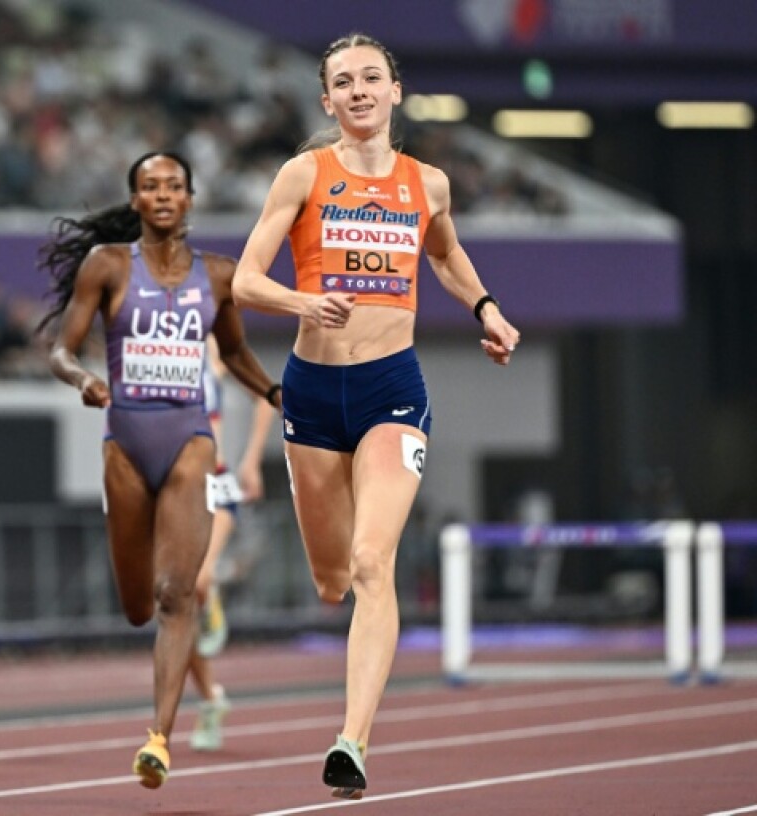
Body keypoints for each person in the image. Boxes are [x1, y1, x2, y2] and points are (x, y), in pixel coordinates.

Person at [231, 33, 521, 800]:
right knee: (332, 578)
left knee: (371, 563)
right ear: (327, 100)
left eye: (370, 78)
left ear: (396, 91)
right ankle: (349, 704)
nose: (358, 90)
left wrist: (487, 308)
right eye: (343, 82)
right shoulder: (303, 174)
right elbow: (245, 282)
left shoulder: (428, 184)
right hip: (312, 392)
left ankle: (351, 741)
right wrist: (303, 301)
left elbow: (445, 256)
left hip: (392, 387)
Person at [39, 151, 280, 789]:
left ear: (190, 198)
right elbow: (61, 349)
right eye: (151, 186)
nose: (165, 194)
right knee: (138, 607)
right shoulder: (107, 265)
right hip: (124, 445)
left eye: (175, 185)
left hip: (189, 439)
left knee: (178, 594)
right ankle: (168, 675)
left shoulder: (218, 275)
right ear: (137, 201)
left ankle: (159, 739)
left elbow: (236, 352)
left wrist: (276, 393)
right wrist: (84, 379)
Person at [186, 336, 276, 752]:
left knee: (196, 581)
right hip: (173, 485)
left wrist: (250, 461)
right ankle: (210, 699)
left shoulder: (214, 344)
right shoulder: (152, 339)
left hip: (217, 480)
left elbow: (267, 397)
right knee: (175, 607)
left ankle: (210, 593)